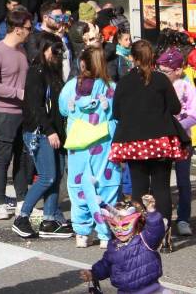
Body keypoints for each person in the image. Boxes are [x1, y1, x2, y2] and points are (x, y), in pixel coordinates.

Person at [111, 39, 184, 251]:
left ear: (132, 58)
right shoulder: (161, 79)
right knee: (161, 188)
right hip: (161, 139)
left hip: (134, 141)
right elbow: (175, 108)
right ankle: (165, 237)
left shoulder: (124, 82)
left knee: (139, 188)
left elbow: (116, 113)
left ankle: (140, 236)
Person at [60, 45, 120, 248]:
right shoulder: (110, 87)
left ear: (82, 63)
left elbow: (62, 109)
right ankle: (104, 233)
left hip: (78, 142)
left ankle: (81, 232)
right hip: (103, 141)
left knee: (78, 185)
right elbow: (116, 113)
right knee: (106, 184)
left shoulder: (70, 87)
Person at [13, 32, 71, 240]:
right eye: (54, 50)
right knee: (47, 176)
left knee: (56, 177)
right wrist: (50, 131)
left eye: (59, 51)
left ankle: (49, 220)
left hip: (56, 133)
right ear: (44, 49)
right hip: (40, 132)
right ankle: (22, 217)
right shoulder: (36, 72)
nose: (57, 55)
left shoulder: (54, 73)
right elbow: (36, 106)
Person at [0, 8, 32, 221]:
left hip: (22, 112)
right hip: (2, 113)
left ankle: (22, 200)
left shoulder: (22, 50)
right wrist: (18, 93)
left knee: (22, 157)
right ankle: (0, 201)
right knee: (3, 158)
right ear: (18, 29)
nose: (31, 31)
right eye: (28, 28)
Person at [81, 195, 166, 294]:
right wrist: (93, 273)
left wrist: (151, 211)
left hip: (150, 291)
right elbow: (106, 265)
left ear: (136, 223)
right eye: (115, 227)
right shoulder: (114, 246)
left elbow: (155, 231)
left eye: (125, 226)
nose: (120, 231)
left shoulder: (145, 240)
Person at [156, 48, 195, 238]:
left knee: (183, 181)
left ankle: (183, 218)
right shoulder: (158, 85)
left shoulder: (187, 88)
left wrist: (176, 126)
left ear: (179, 70)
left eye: (166, 71)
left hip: (181, 140)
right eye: (160, 70)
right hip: (161, 140)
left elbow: (194, 114)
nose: (162, 74)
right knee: (160, 181)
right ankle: (160, 218)